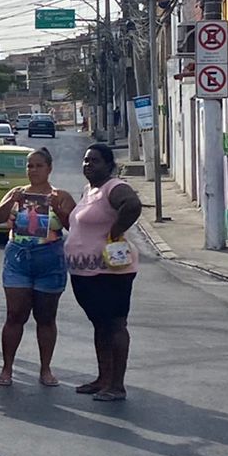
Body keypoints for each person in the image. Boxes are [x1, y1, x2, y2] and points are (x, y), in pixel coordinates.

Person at [0, 147, 77, 387]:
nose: (34, 170)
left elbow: (73, 225)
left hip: (48, 257)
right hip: (18, 257)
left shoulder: (60, 195)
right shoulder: (17, 192)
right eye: (30, 166)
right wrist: (12, 202)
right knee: (15, 314)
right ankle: (7, 369)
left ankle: (46, 369)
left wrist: (57, 207)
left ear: (49, 169)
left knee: (46, 317)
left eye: (39, 165)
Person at [64, 142, 143, 402]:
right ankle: (103, 378)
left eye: (94, 161)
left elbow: (131, 205)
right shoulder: (90, 190)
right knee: (100, 325)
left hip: (111, 273)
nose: (88, 165)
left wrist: (114, 232)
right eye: (86, 160)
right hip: (85, 273)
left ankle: (117, 385)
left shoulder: (114, 187)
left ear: (109, 165)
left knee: (115, 324)